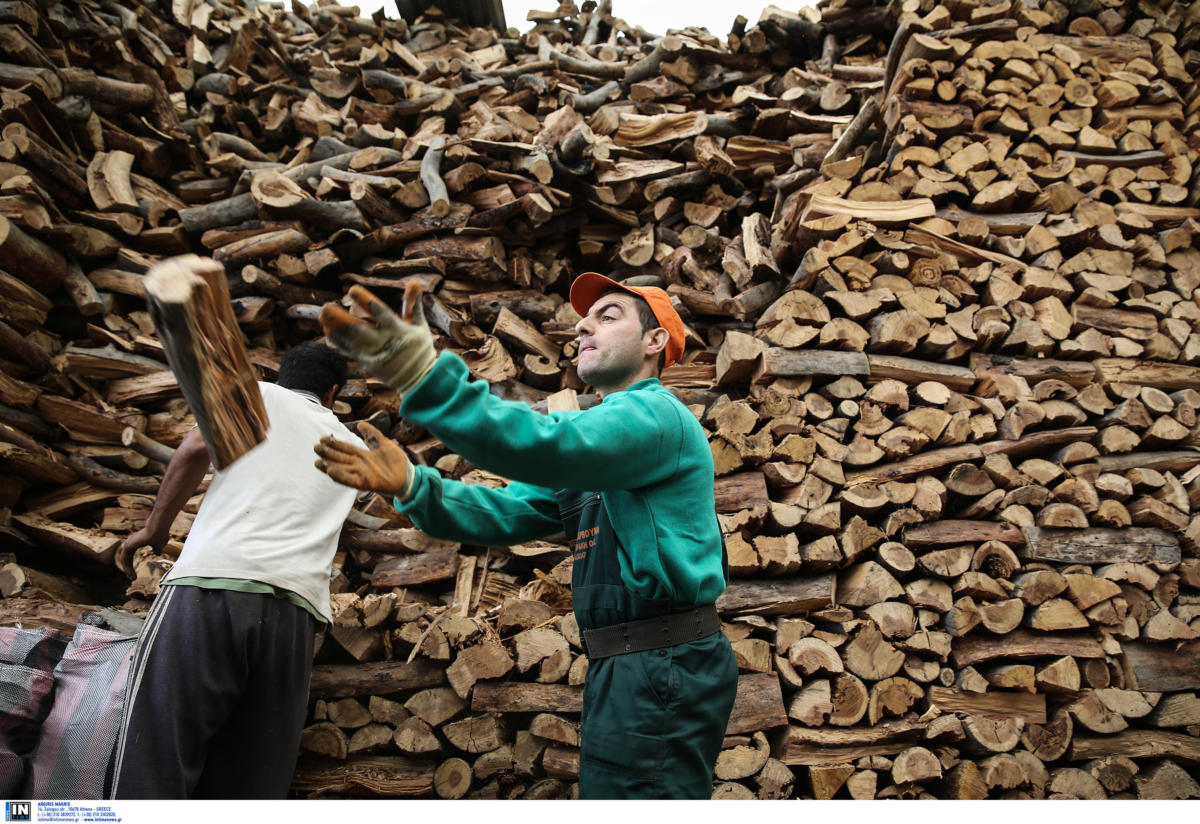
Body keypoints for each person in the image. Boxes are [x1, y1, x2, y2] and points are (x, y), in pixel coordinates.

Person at [313, 274, 738, 800]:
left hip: (664, 660)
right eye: (587, 317)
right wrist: (413, 484)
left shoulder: (654, 415)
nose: (583, 325)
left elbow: (546, 446)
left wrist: (423, 376)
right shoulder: (604, 434)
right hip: (631, 662)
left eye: (609, 316)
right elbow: (508, 512)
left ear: (655, 343)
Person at [110, 341, 364, 799]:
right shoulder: (355, 447)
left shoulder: (256, 394)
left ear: (281, 376)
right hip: (295, 614)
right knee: (252, 781)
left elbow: (193, 449)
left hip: (209, 589)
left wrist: (154, 529)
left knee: (158, 755)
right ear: (332, 393)